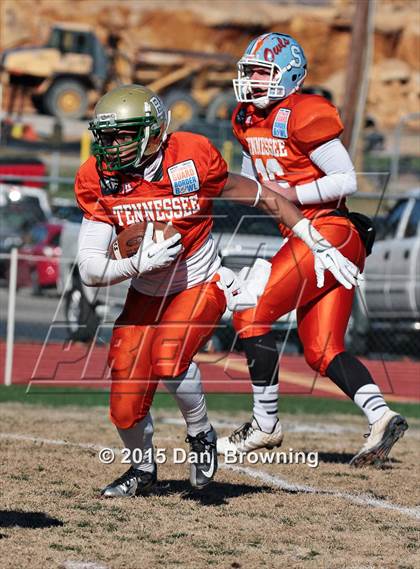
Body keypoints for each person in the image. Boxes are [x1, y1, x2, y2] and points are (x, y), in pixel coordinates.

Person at [75, 83, 361, 497]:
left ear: (154, 132)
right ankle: (142, 469)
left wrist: (315, 239)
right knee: (123, 405)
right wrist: (136, 264)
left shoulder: (191, 157)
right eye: (106, 135)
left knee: (170, 357)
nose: (111, 146)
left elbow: (266, 198)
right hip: (145, 289)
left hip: (199, 280)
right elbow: (89, 267)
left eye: (123, 134)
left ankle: (201, 433)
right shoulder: (97, 178)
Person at [217, 33, 408, 466]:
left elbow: (346, 180)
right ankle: (381, 417)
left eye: (262, 72)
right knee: (321, 348)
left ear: (289, 77)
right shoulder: (245, 118)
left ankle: (264, 425)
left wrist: (292, 192)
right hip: (313, 235)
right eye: (249, 71)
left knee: (250, 311)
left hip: (328, 230)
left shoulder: (303, 113)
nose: (251, 80)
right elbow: (255, 184)